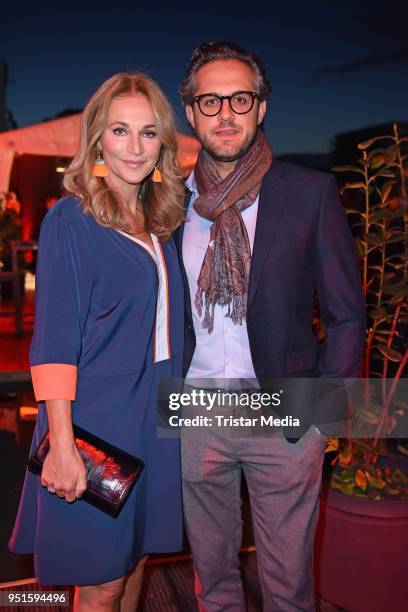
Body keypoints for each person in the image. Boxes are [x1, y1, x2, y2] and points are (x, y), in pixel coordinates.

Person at [176, 41, 365, 611]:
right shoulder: (167, 203)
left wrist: (323, 417)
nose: (225, 113)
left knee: (288, 587)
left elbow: (346, 313)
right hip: (195, 413)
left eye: (240, 98)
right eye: (210, 101)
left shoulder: (308, 194)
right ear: (190, 113)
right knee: (212, 583)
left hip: (285, 413)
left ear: (261, 108)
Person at [9, 71, 185, 611]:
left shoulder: (159, 221)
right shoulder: (72, 220)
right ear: (97, 140)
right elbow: (55, 341)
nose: (135, 147)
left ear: (163, 143)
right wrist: (62, 445)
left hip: (155, 415)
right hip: (96, 423)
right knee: (101, 580)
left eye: (148, 133)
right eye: (120, 130)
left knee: (136, 560)